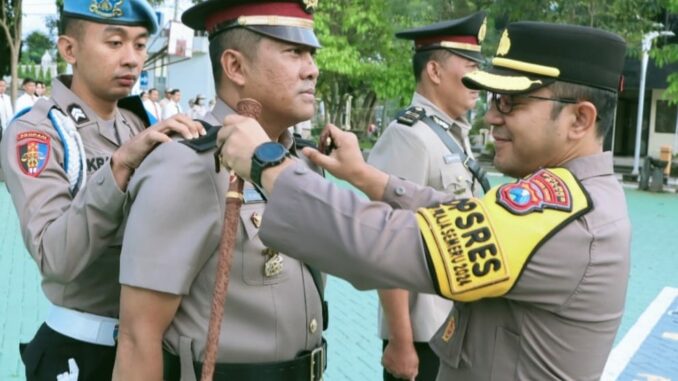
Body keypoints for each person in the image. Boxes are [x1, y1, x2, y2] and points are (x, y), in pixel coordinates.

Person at [217, 21, 631, 380]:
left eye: (511, 103)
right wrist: (368, 177)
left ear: (580, 119)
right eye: (492, 101)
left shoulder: (562, 215)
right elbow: (459, 216)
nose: (491, 117)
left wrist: (267, 163)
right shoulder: (570, 198)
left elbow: (389, 245)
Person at [112, 1, 327, 380]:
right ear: (235, 67)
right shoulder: (187, 166)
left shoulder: (299, 163)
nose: (312, 69)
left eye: (310, 54)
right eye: (294, 52)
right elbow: (138, 337)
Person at [0, 1, 204, 379]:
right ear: (69, 50)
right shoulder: (40, 133)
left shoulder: (135, 123)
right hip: (80, 354)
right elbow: (55, 257)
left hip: (153, 348)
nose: (131, 59)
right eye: (114, 43)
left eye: (140, 45)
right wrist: (118, 168)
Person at [369, 12, 488, 381]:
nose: (478, 78)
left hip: (455, 325)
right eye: (469, 67)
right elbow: (388, 247)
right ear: (434, 72)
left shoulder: (451, 132)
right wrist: (401, 342)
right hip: (423, 339)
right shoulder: (409, 135)